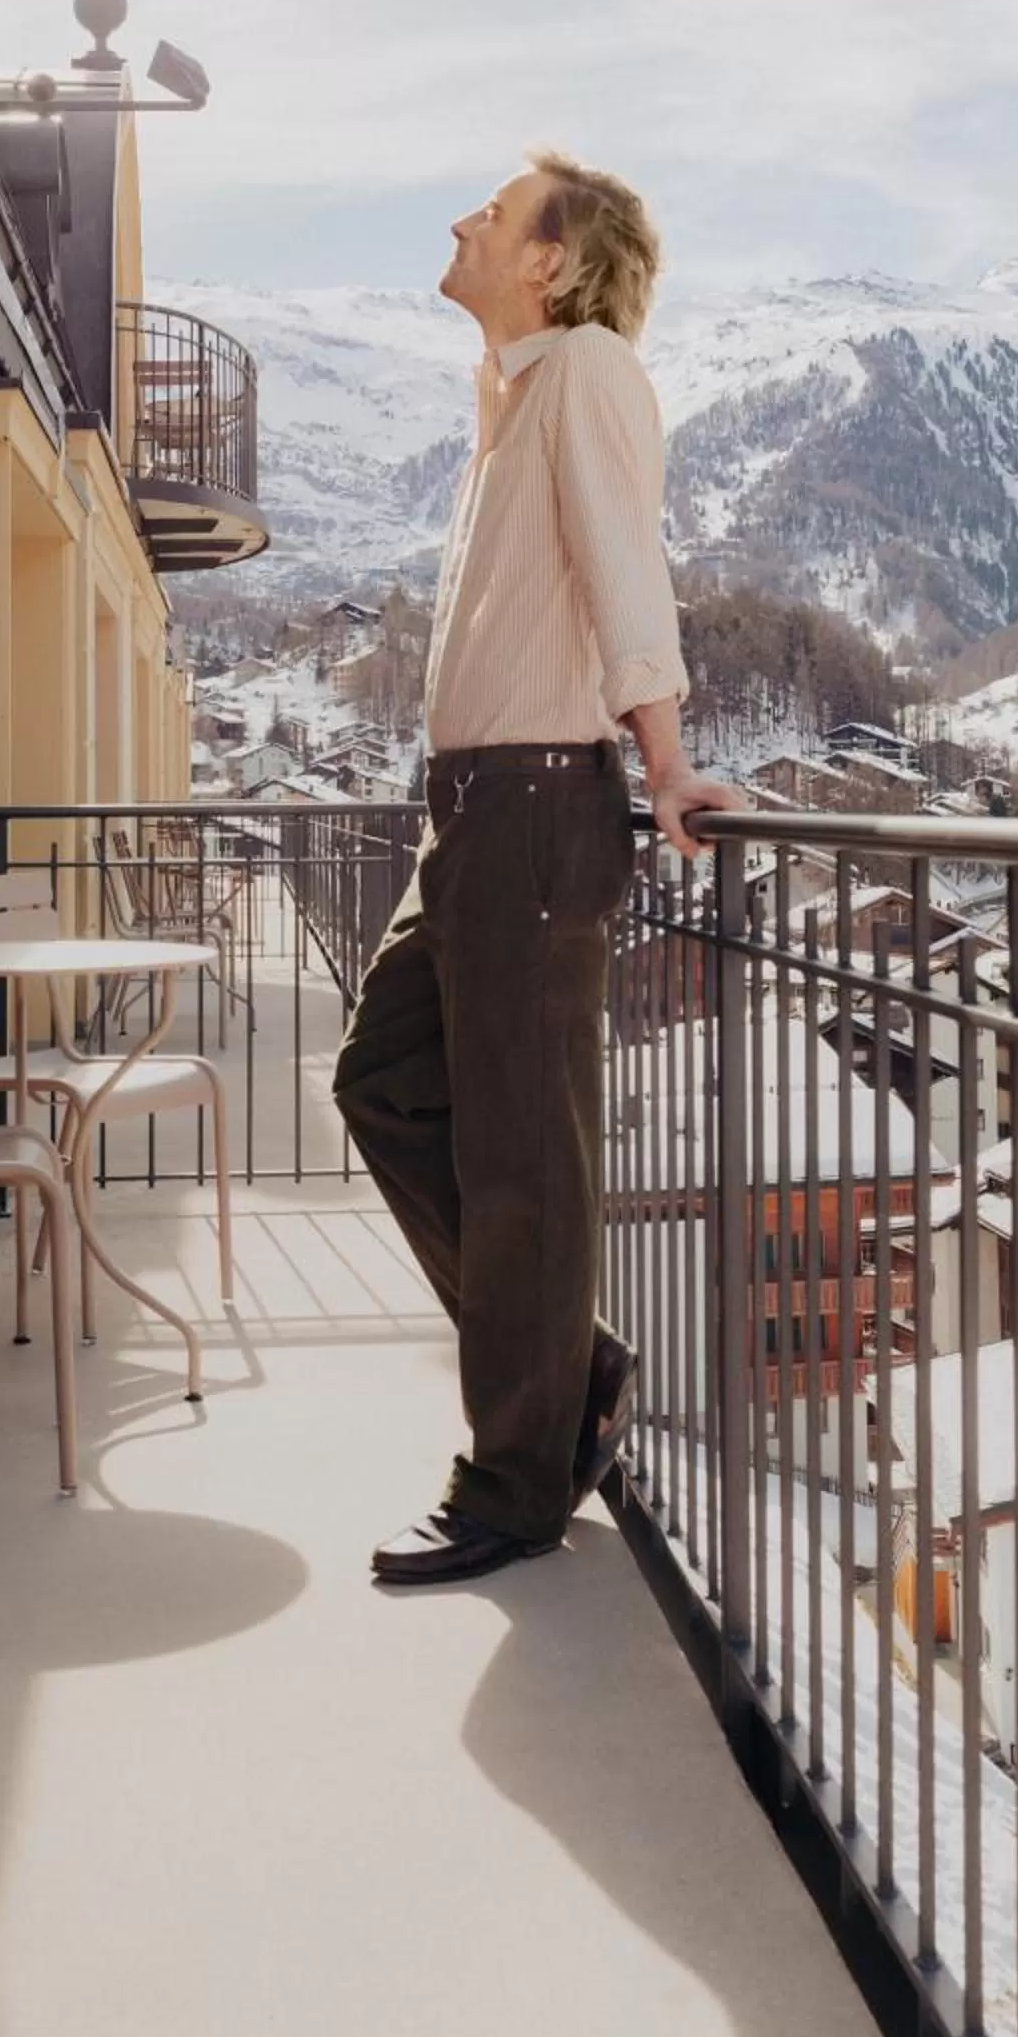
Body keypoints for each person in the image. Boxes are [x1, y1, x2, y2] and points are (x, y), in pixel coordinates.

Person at [333, 152, 740, 1586]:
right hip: (472, 813)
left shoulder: (587, 375)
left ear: (555, 265)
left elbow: (629, 563)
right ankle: (567, 1367)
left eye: (492, 215)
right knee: (381, 1080)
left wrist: (669, 756)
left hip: (535, 810)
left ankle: (514, 1484)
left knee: (523, 1170)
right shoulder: (518, 389)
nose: (459, 221)